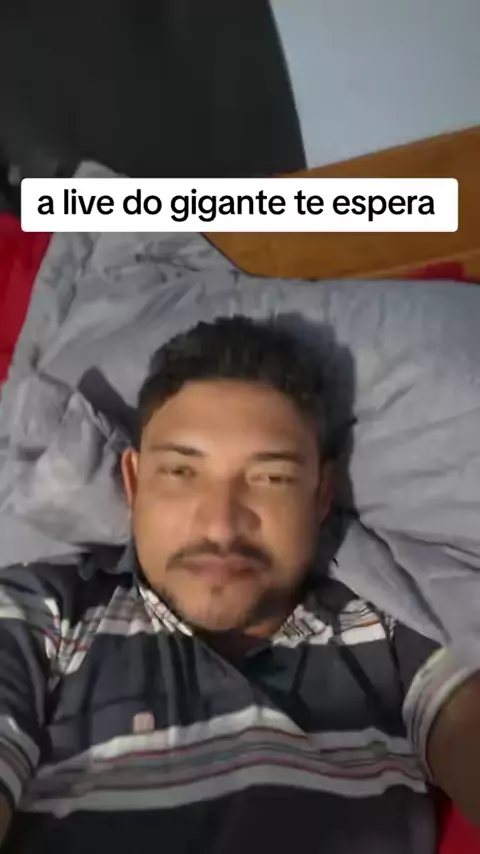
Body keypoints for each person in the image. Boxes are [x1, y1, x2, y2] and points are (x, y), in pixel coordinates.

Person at [0, 316, 478, 854]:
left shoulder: (394, 633)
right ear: (133, 483)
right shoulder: (38, 616)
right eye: (181, 472)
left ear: (321, 496)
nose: (221, 525)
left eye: (271, 478)